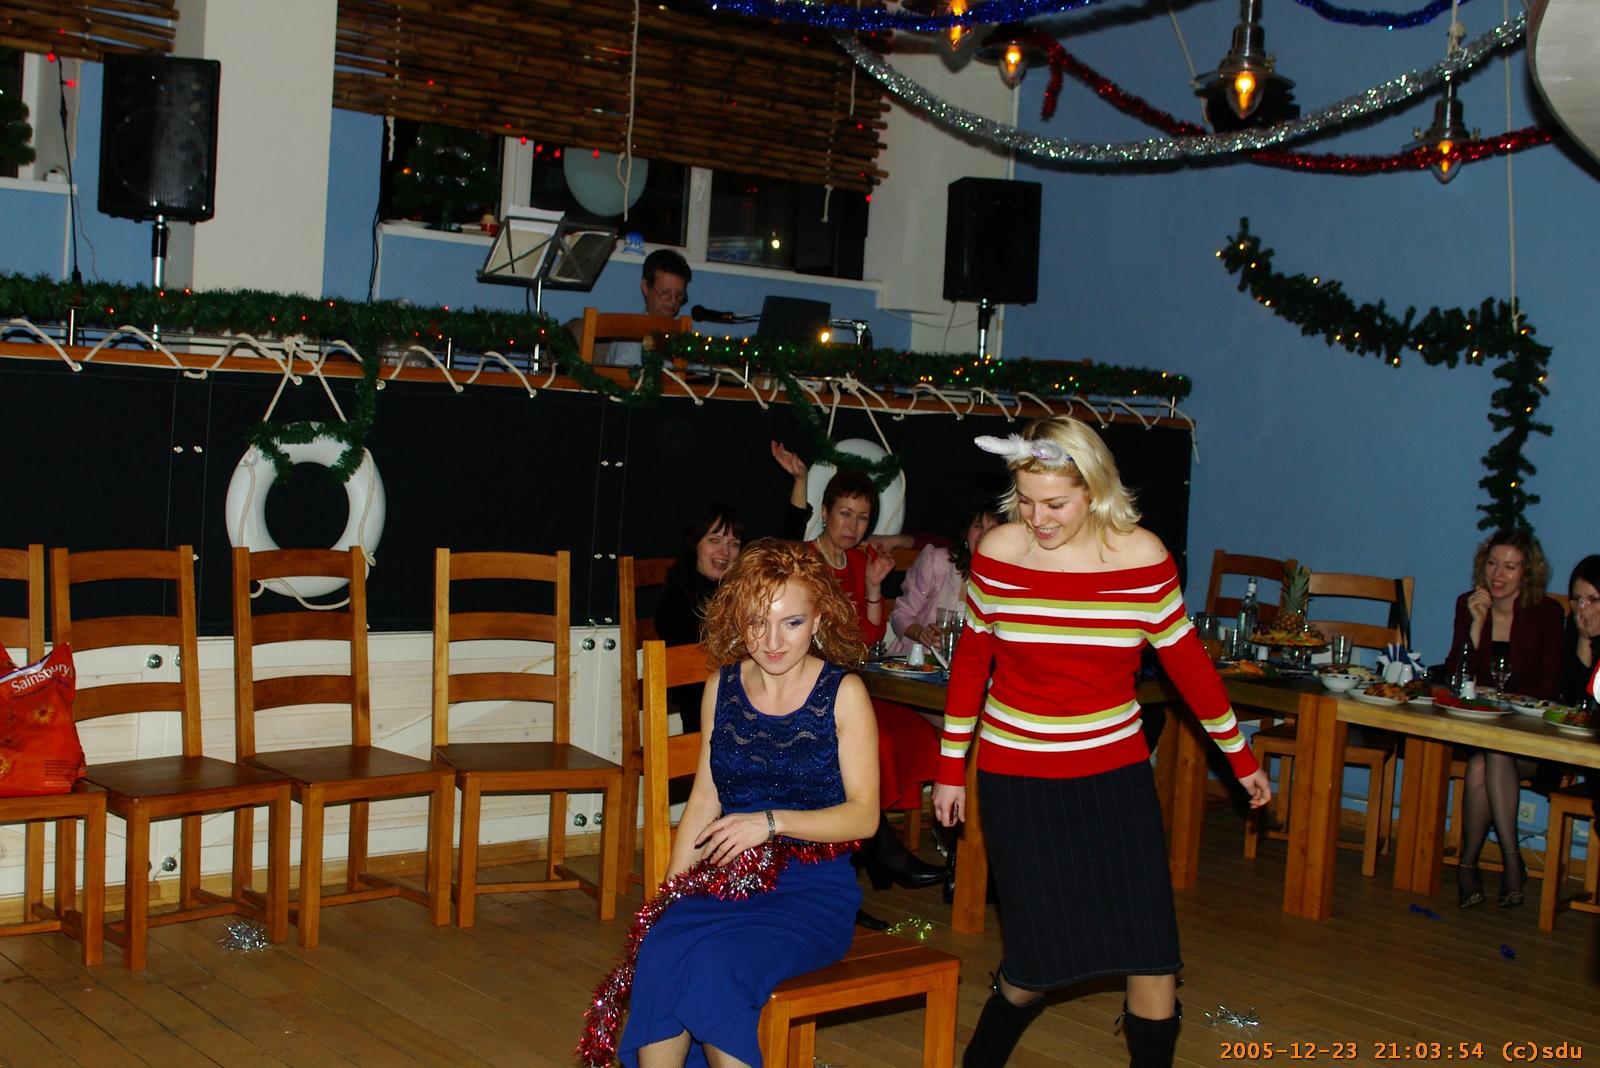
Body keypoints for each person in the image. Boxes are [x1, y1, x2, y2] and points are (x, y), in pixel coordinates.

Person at [931, 417, 1270, 1068]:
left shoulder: (1142, 559)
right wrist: (950, 768)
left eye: (1055, 504)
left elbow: (1188, 665)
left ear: (1094, 489)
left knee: (1152, 953)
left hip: (1115, 777)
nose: (1038, 518)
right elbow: (971, 663)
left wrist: (1239, 755)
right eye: (1026, 500)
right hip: (1018, 778)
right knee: (1037, 965)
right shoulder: (999, 551)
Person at [616, 540, 879, 1068]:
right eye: (757, 622)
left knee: (715, 965)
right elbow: (704, 800)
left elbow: (865, 816)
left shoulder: (843, 692)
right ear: (738, 619)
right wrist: (668, 893)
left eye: (791, 622)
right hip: (726, 880)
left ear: (819, 618)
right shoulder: (723, 687)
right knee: (661, 947)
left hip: (811, 892)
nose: (773, 641)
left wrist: (771, 823)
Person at [770, 442, 947, 907]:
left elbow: (867, 638)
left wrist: (872, 587)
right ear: (825, 513)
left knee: (913, 730)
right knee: (875, 740)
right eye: (845, 514)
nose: (852, 526)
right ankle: (876, 848)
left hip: (847, 685)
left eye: (863, 517)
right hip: (805, 686)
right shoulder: (804, 560)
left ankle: (873, 847)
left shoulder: (863, 561)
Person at [1442, 528, 1565, 909]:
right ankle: (1511, 862)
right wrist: (1476, 626)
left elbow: (1551, 683)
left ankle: (1471, 864)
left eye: (1510, 567)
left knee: (1486, 761)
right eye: (1493, 563)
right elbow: (1455, 676)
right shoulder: (1468, 604)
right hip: (1481, 731)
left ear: (1528, 573)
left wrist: (1507, 698)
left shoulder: (1547, 613)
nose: (1498, 574)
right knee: (1488, 755)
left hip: (1531, 738)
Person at [655, 502, 744, 733]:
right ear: (695, 544)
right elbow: (687, 680)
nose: (725, 552)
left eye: (734, 544)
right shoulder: (677, 597)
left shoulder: (740, 592)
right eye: (714, 540)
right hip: (708, 719)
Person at [888, 504, 1000, 661]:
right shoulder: (938, 562)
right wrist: (920, 633)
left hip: (971, 667)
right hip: (919, 663)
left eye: (993, 528)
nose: (983, 534)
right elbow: (900, 614)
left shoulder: (1008, 583)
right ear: (967, 534)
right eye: (978, 526)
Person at [571, 249, 692, 367]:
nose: (673, 301)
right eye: (665, 293)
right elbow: (624, 376)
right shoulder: (629, 334)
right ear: (645, 287)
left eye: (679, 295)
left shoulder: (688, 334)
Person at [1561, 555, 1600, 705]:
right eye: (1578, 600)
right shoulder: (1575, 621)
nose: (1584, 608)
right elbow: (1575, 699)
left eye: (1594, 600)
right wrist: (1584, 639)